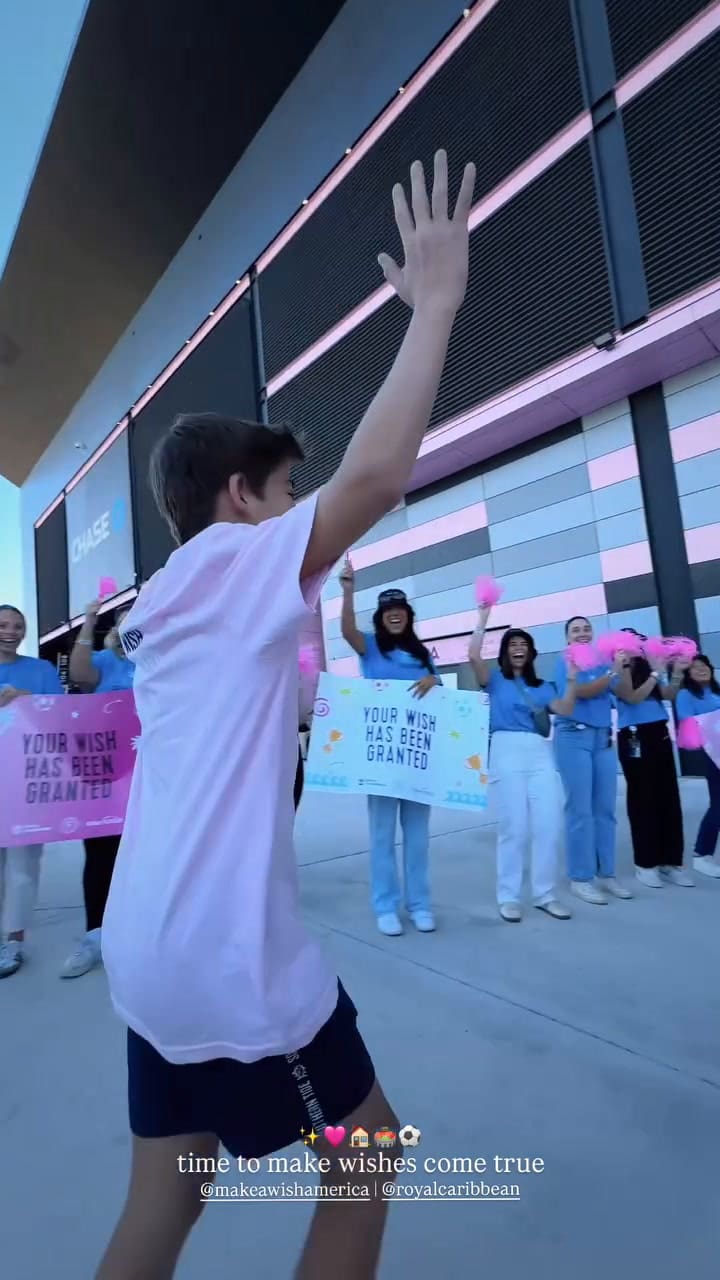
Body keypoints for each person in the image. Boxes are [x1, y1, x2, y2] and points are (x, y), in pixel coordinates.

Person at [96, 149, 476, 1280]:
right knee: (365, 1166)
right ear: (239, 498)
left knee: (167, 1199)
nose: (297, 516)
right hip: (230, 961)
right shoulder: (233, 564)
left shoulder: (160, 604)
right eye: (283, 491)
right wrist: (438, 308)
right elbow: (375, 478)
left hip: (149, 950)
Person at [339, 566, 441, 936]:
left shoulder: (423, 656)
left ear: (409, 616)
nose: (395, 614)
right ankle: (385, 905)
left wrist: (433, 680)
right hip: (382, 760)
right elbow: (347, 631)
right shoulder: (371, 648)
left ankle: (419, 904)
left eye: (400, 609)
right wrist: (349, 590)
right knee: (382, 836)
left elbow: (443, 704)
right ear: (381, 618)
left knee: (417, 837)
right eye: (388, 611)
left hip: (417, 761)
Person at [469, 607, 577, 922]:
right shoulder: (494, 680)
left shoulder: (543, 686)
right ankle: (509, 896)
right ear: (505, 653)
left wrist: (571, 680)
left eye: (523, 645)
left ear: (531, 653)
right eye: (512, 645)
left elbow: (565, 708)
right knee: (513, 827)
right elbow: (474, 655)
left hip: (540, 752)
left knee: (548, 825)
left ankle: (544, 894)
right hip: (505, 750)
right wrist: (483, 616)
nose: (518, 649)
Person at [60, 599, 135, 978]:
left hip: (153, 776)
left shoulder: (157, 663)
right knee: (101, 854)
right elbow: (79, 673)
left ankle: (142, 932)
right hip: (105, 774)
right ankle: (95, 936)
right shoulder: (105, 664)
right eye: (123, 620)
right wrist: (89, 623)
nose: (129, 624)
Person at [0, 604, 64, 979]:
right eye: (4, 625)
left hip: (25, 785)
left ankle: (14, 941)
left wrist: (28, 698)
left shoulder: (40, 672)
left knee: (22, 869)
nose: (11, 631)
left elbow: (62, 717)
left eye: (17, 626)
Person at [553, 616, 632, 904]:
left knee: (605, 809)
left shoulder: (602, 661)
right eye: (575, 630)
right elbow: (583, 692)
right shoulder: (566, 661)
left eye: (587, 629)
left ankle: (607, 873)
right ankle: (581, 877)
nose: (582, 633)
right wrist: (612, 673)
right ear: (567, 638)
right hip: (573, 736)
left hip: (603, 739)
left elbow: (625, 693)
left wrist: (621, 667)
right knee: (580, 809)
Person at [614, 631, 693, 887]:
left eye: (636, 639)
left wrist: (677, 671)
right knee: (642, 799)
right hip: (633, 735)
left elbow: (668, 694)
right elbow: (632, 697)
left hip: (659, 731)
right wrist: (655, 674)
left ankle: (672, 861)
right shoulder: (617, 666)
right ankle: (645, 863)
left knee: (668, 797)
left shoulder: (650, 664)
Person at [676, 654, 720, 879]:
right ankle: (702, 854)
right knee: (718, 805)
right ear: (688, 674)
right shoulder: (686, 695)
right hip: (714, 754)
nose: (701, 669)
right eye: (695, 667)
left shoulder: (716, 692)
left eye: (704, 665)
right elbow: (687, 722)